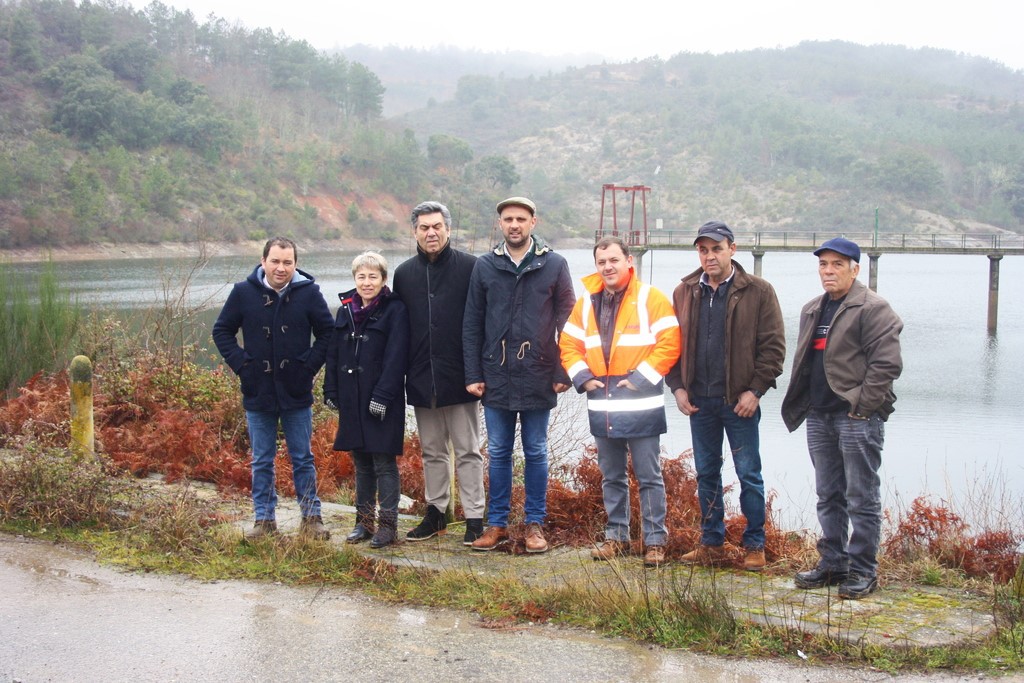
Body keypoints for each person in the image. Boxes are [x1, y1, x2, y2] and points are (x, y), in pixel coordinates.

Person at [782, 237, 903, 600]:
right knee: (828, 494)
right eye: (823, 264)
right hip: (819, 416)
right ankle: (833, 563)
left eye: (837, 264)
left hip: (856, 417)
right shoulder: (812, 310)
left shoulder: (874, 309)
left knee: (861, 496)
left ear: (855, 268)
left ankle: (864, 571)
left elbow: (887, 364)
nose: (829, 271)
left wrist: (863, 406)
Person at [667, 221, 786, 571]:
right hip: (699, 401)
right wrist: (677, 387)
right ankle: (712, 542)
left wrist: (756, 391)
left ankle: (755, 545)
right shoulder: (685, 291)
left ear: (732, 249)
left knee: (749, 473)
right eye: (703, 250)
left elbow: (774, 349)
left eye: (716, 249)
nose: (709, 256)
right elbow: (669, 346)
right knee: (706, 473)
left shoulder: (759, 291)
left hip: (739, 402)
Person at [559, 236, 681, 567]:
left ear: (629, 260)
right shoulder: (586, 303)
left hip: (640, 401)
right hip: (603, 401)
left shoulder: (650, 298)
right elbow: (568, 344)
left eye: (614, 260)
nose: (608, 267)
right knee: (611, 475)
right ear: (596, 265)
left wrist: (639, 379)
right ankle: (617, 537)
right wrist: (584, 377)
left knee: (648, 475)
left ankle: (655, 541)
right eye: (602, 262)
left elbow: (670, 342)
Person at [463, 196, 575, 553]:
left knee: (537, 451)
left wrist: (564, 370)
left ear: (533, 222)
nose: (514, 224)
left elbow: (569, 322)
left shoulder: (554, 264)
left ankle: (534, 525)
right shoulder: (484, 266)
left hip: (538, 373)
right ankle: (496, 524)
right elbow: (471, 324)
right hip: (495, 375)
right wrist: (473, 372)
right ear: (500, 224)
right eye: (508, 219)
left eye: (521, 219)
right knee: (497, 451)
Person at [212, 237, 334, 541]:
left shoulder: (309, 293)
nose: (281, 268)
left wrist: (307, 367)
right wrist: (243, 365)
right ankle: (264, 521)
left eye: (288, 262)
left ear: (295, 264)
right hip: (258, 391)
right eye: (276, 261)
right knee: (261, 458)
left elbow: (328, 334)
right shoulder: (243, 293)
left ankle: (312, 517)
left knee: (303, 457)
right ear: (264, 261)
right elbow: (222, 331)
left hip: (296, 390)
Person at [392, 201, 486, 544]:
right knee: (431, 450)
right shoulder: (404, 274)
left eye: (436, 226)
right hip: (419, 376)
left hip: (463, 376)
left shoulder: (472, 268)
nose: (431, 233)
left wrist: (479, 371)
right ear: (414, 231)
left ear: (448, 229)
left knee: (468, 449)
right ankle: (436, 513)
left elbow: (483, 324)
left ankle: (475, 516)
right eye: (423, 228)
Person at [324, 251, 409, 549]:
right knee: (361, 463)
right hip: (351, 398)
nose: (367, 282)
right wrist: (330, 391)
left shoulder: (394, 309)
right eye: (361, 276)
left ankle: (388, 527)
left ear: (383, 279)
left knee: (384, 463)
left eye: (373, 276)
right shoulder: (345, 309)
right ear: (355, 279)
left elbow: (397, 356)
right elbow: (334, 354)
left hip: (382, 400)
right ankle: (363, 523)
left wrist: (383, 395)